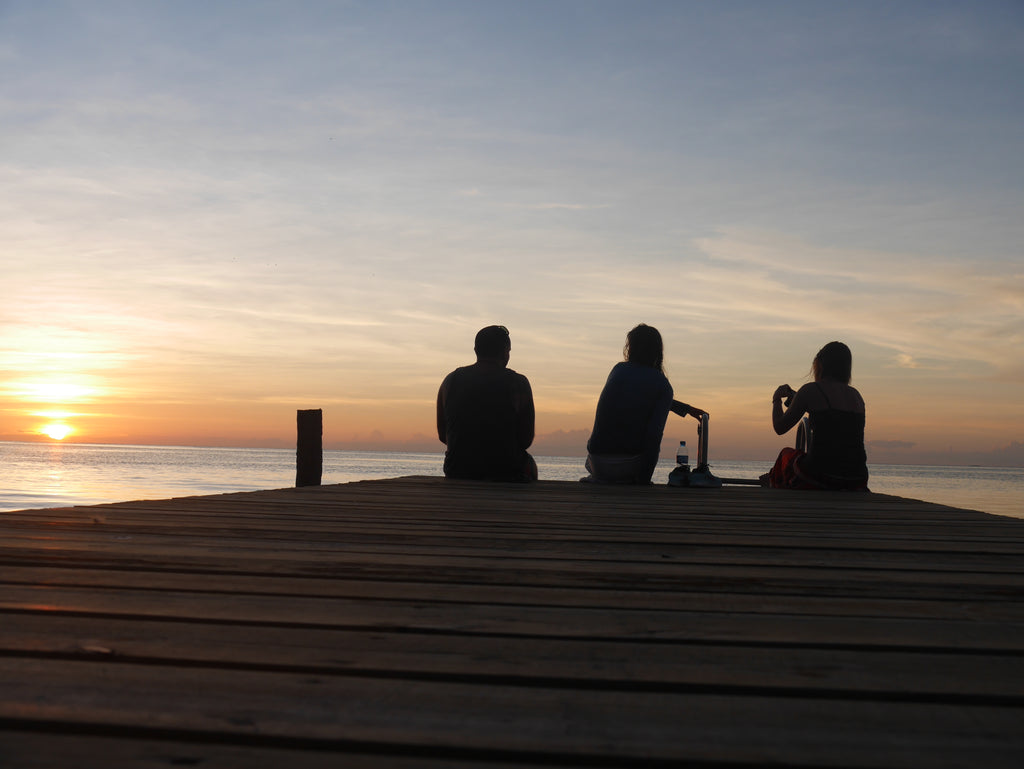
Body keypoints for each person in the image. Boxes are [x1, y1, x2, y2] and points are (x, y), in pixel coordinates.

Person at [583, 324, 705, 484]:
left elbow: (636, 395)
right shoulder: (662, 385)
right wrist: (644, 481)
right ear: (657, 352)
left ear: (630, 348)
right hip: (628, 465)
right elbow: (654, 437)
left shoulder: (618, 370)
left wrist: (686, 409)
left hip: (596, 463)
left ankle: (598, 478)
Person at [437, 325, 538, 482]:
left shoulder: (450, 380)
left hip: (458, 470)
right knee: (529, 464)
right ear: (505, 352)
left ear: (476, 350)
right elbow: (526, 439)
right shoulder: (518, 383)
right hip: (507, 471)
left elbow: (443, 435)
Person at [765, 341, 869, 490]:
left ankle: (772, 482)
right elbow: (836, 423)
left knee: (785, 455)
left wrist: (777, 399)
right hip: (857, 479)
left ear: (820, 365)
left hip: (820, 474)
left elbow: (780, 427)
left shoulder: (810, 390)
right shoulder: (856, 396)